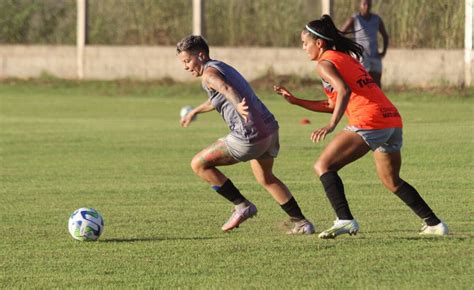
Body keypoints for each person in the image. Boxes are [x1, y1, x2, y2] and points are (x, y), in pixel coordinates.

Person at [273, 15, 448, 239]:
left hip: (370, 121)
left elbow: (343, 91)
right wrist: (296, 101)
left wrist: (331, 125)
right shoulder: (344, 59)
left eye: (304, 43)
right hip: (391, 120)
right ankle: (434, 224)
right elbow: (333, 103)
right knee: (391, 181)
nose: (303, 47)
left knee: (323, 166)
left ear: (319, 43)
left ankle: (345, 219)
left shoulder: (325, 63)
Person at [176, 35, 315, 234]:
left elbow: (226, 89)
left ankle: (242, 206)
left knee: (198, 164)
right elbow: (219, 96)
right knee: (267, 178)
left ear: (200, 55)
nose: (186, 66)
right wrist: (194, 111)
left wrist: (238, 105)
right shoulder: (222, 66)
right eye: (183, 63)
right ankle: (302, 223)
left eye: (187, 61)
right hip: (270, 131)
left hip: (249, 136)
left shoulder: (208, 75)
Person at [341, 0, 389, 88]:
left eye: (369, 4)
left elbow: (385, 36)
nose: (366, 6)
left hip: (374, 55)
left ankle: (378, 101)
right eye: (364, 4)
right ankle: (364, 101)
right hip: (361, 55)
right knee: (364, 82)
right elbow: (341, 34)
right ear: (360, 5)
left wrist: (383, 52)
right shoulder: (355, 18)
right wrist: (348, 49)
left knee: (377, 82)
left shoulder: (376, 19)